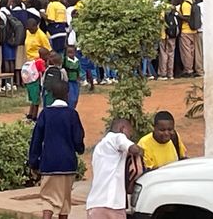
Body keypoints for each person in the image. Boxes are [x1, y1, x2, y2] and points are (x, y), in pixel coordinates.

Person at [28, 79, 86, 219]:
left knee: (48, 200)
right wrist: (80, 149)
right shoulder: (72, 114)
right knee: (65, 202)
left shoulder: (45, 114)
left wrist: (34, 161)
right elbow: (78, 138)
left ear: (52, 94)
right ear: (67, 94)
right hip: (68, 163)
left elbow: (36, 139)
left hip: (49, 163)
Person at [85, 118, 144, 219]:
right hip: (112, 204)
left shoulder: (99, 147)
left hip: (95, 204)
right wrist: (142, 152)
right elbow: (134, 149)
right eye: (129, 134)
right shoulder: (117, 137)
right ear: (122, 129)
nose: (129, 138)